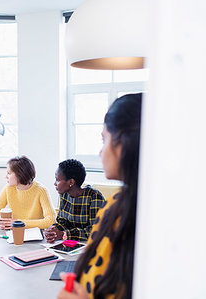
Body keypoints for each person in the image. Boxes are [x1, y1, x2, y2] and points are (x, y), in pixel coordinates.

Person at [57, 93, 142, 299]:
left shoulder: (133, 215)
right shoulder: (117, 204)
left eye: (104, 140)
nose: (100, 152)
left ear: (123, 144)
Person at [44, 159, 105, 243]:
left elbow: (94, 231)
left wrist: (64, 234)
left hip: (90, 244)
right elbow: (62, 222)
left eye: (57, 180)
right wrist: (53, 230)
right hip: (71, 243)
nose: (55, 183)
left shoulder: (94, 197)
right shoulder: (64, 194)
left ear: (71, 182)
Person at [0, 156, 55, 229]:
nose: (6, 177)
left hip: (36, 235)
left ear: (20, 174)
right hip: (14, 233)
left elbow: (51, 220)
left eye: (9, 173)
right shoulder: (8, 188)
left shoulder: (41, 191)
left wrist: (19, 223)